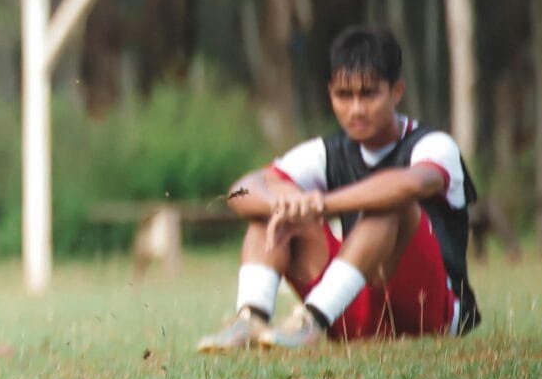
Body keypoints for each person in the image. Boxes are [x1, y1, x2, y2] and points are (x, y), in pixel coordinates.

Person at [199, 24, 479, 351]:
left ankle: (312, 320)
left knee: (391, 203)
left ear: (397, 91)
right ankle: (251, 318)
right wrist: (284, 203)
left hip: (428, 312)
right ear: (330, 93)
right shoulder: (326, 152)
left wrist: (324, 204)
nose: (356, 109)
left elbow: (411, 184)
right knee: (274, 209)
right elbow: (242, 190)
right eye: (344, 96)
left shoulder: (433, 144)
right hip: (354, 311)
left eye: (369, 94)